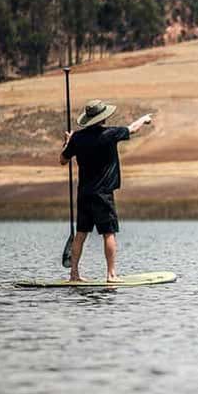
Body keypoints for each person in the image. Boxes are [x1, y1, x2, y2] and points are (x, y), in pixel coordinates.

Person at [60, 99, 153, 282]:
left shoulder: (78, 138)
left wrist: (68, 142)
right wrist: (144, 118)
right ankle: (111, 275)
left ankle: (74, 275)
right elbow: (132, 128)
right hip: (103, 194)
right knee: (108, 233)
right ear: (103, 118)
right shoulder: (109, 134)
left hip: (84, 194)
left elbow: (63, 159)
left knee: (81, 233)